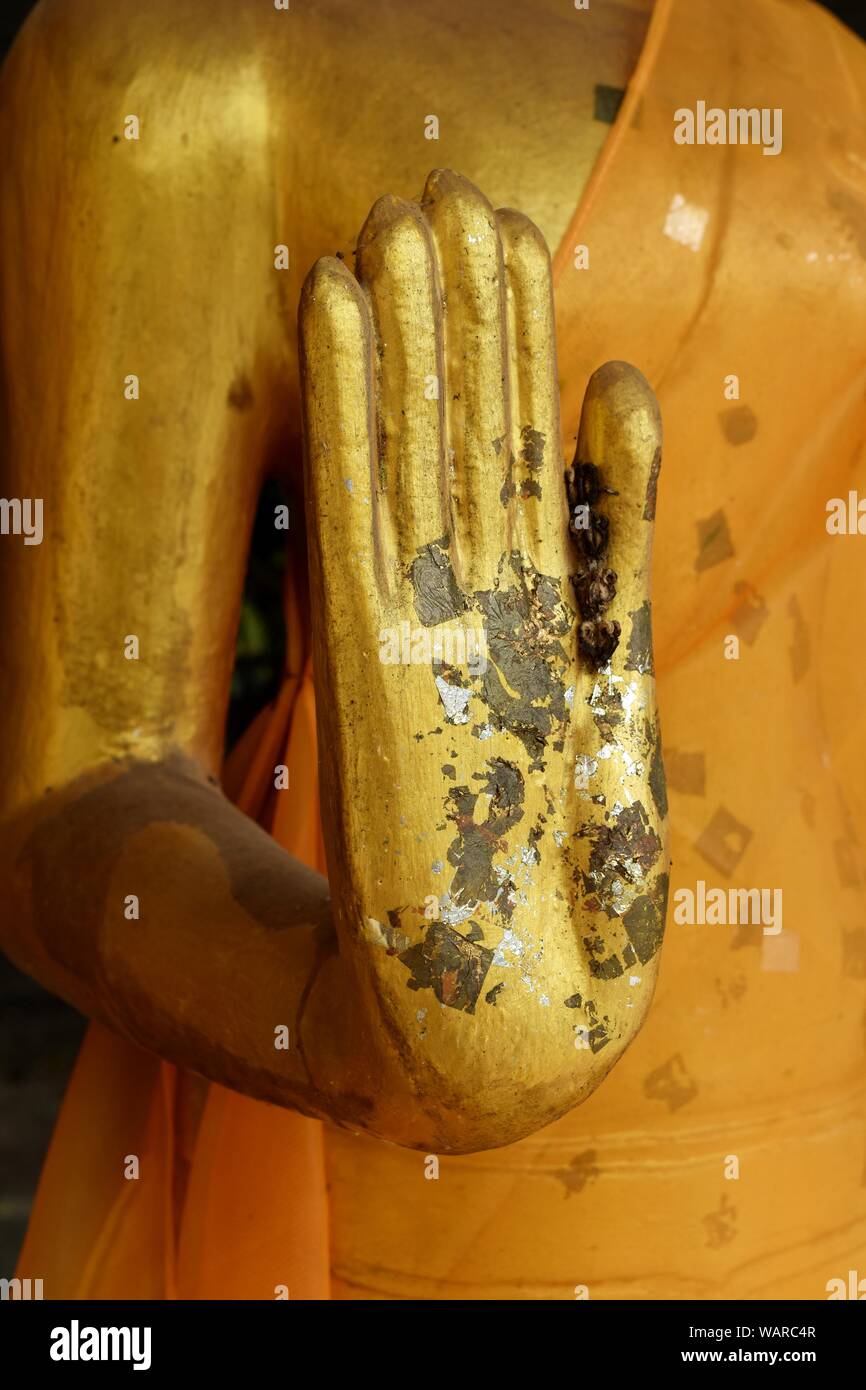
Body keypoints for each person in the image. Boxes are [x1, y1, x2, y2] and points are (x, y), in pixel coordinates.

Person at [2, 0, 864, 1299]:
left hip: (824, 1076)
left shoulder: (818, 57)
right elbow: (75, 785)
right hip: (433, 1062)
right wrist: (345, 1024)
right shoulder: (187, 52)